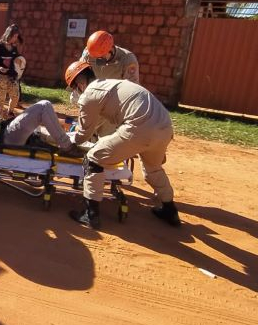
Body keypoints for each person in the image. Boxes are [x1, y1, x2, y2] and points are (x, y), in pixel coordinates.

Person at [64, 60, 180, 229]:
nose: (76, 92)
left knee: (94, 158)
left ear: (80, 84)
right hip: (164, 127)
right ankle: (170, 210)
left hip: (140, 128)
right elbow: (99, 123)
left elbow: (83, 134)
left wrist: (68, 142)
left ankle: (91, 214)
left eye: (75, 88)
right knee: (153, 169)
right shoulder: (111, 85)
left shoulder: (89, 94)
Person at [0, 24, 22, 120]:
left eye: (16, 36)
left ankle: (10, 112)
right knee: (1, 98)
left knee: (15, 96)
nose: (16, 38)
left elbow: (17, 59)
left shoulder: (14, 46)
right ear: (8, 35)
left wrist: (19, 64)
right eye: (14, 36)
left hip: (11, 76)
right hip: (0, 76)